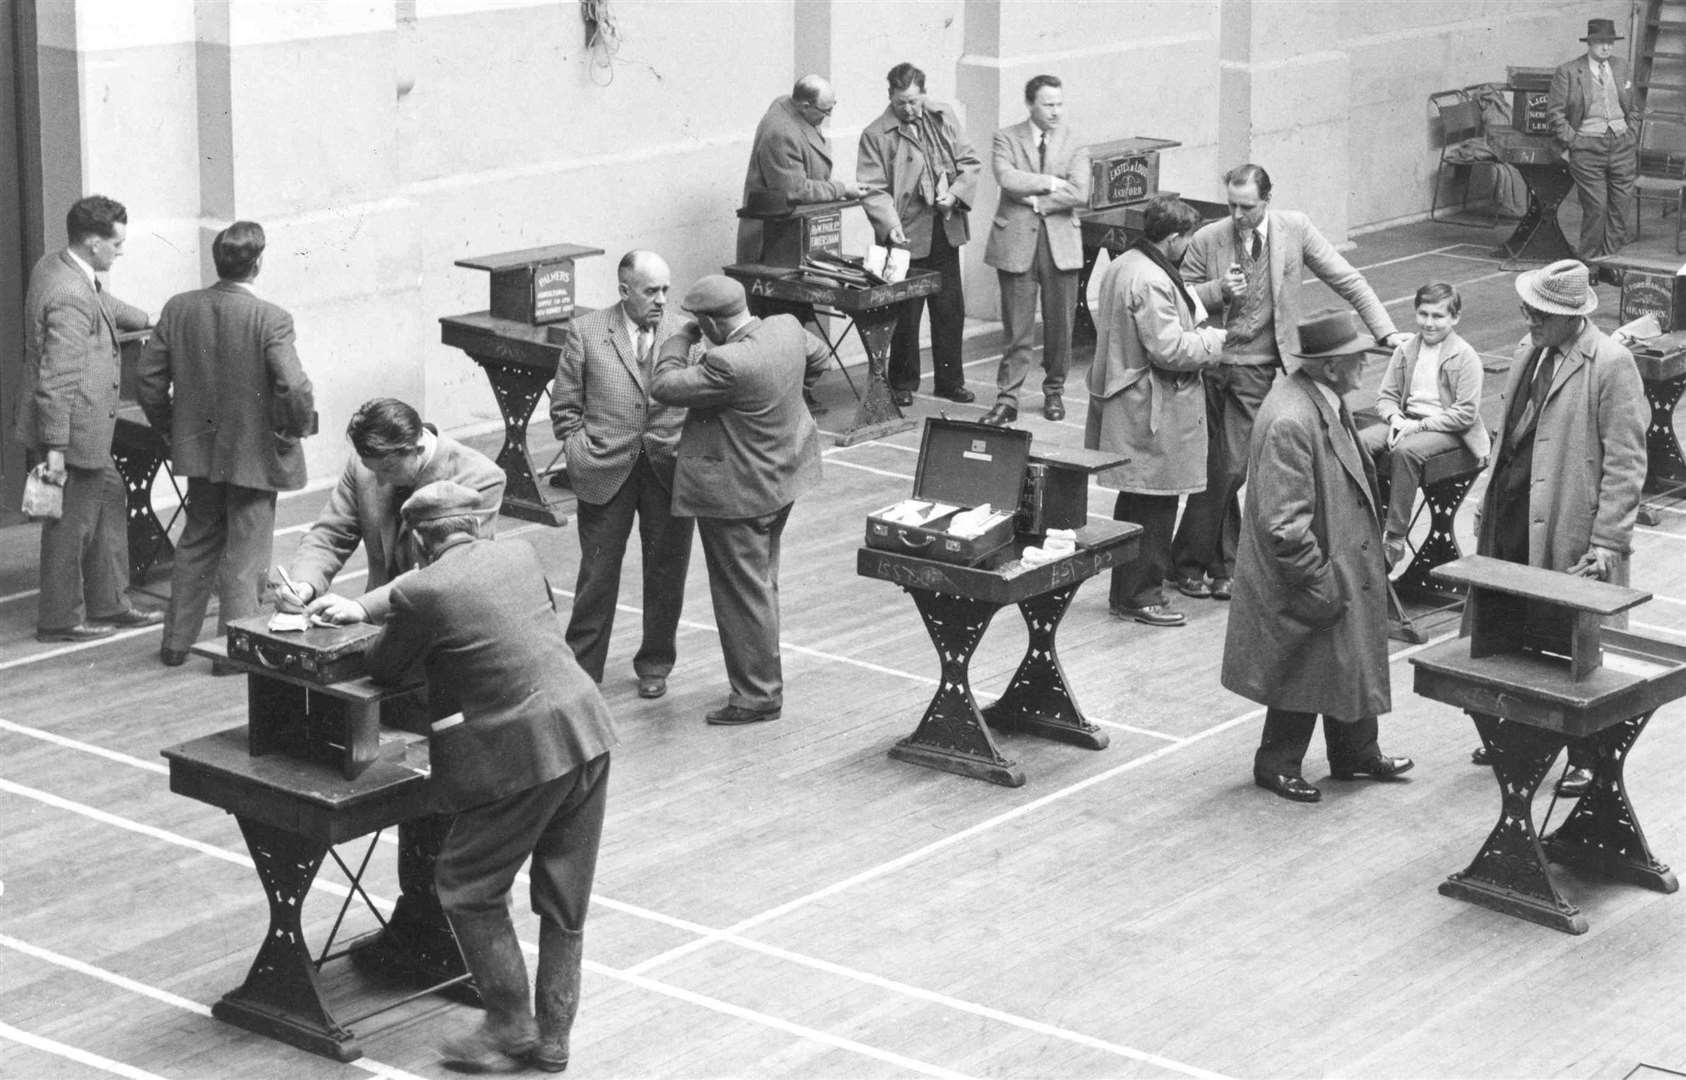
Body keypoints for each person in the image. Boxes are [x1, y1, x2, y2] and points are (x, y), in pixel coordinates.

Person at [358, 481, 616, 1073]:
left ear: (420, 540)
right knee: (564, 899)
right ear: (474, 525)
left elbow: (383, 664)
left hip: (519, 752)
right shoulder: (520, 553)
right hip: (586, 729)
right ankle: (552, 1040)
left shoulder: (423, 589)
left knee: (469, 886)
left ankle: (508, 1024)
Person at [1172, 163, 1405, 603]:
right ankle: (1216, 565)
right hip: (1208, 365)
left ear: (1267, 200)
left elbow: (1347, 279)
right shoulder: (1208, 238)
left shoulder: (1295, 230)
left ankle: (1187, 557)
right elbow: (1179, 300)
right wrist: (1219, 291)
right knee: (1219, 466)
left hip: (1257, 367)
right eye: (1231, 205)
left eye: (1247, 206)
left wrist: (1386, 331)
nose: (1237, 215)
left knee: (1233, 467)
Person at [1468, 259, 1647, 797]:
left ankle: (1587, 758)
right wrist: (1486, 500)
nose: (1529, 319)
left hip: (1570, 527)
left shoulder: (1611, 363)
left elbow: (1626, 461)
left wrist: (1609, 542)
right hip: (1512, 520)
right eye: (1529, 308)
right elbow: (1508, 438)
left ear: (1573, 316)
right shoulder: (1529, 351)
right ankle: (1518, 732)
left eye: (1541, 312)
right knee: (1511, 632)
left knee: (1575, 647)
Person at [1222, 312, 1414, 804]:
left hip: (1337, 560)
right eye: (1355, 360)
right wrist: (1320, 580)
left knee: (1341, 658)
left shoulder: (1315, 397)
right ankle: (1277, 764)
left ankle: (1355, 752)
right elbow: (1284, 526)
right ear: (1330, 368)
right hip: (1312, 570)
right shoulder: (1292, 418)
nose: (1364, 367)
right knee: (1304, 663)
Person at [649, 275, 828, 725]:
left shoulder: (729, 363)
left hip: (738, 493)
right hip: (783, 479)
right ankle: (761, 680)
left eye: (699, 322)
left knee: (741, 594)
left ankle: (756, 695)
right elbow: (820, 358)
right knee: (760, 584)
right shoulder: (786, 327)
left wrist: (679, 336)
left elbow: (665, 385)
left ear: (709, 322)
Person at [137, 221, 316, 668]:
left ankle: (175, 644)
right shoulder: (270, 317)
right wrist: (291, 430)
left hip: (200, 452)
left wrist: (169, 427)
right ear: (258, 263)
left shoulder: (179, 308)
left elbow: (147, 381)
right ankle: (234, 654)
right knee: (246, 553)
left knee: (197, 540)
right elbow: (294, 386)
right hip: (255, 454)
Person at [13, 194, 161, 643]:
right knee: (67, 525)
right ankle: (60, 620)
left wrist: (150, 319)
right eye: (116, 244)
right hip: (69, 433)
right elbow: (57, 381)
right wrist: (55, 449)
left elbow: (102, 304)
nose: (121, 251)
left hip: (74, 431)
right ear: (94, 242)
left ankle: (110, 602)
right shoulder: (69, 293)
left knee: (110, 496)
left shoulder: (58, 267)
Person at [548, 251, 694, 699]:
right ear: (624, 290)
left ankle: (655, 664)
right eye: (651, 291)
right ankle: (583, 668)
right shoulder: (587, 332)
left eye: (666, 290)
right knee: (597, 572)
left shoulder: (687, 332)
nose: (661, 300)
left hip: (668, 469)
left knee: (667, 572)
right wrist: (579, 451)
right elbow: (565, 408)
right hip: (604, 468)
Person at [1083, 196, 1225, 627]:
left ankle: (1129, 591)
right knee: (1156, 503)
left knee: (1137, 500)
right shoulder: (1151, 279)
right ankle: (1141, 595)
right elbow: (1169, 350)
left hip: (1131, 400)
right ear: (1175, 237)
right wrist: (1214, 342)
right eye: (1187, 240)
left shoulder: (1125, 264)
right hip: (1151, 407)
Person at [286, 397, 504, 623]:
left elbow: (448, 572)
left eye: (388, 469)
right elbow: (331, 534)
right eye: (373, 469)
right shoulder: (366, 465)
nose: (379, 480)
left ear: (417, 449)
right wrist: (304, 582)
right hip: (380, 618)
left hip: (443, 624)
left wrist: (363, 607)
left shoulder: (481, 478)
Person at [857, 61, 982, 407]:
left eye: (914, 101)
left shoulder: (943, 117)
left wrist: (955, 194)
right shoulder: (875, 135)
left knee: (949, 309)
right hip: (903, 235)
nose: (909, 109)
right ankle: (902, 382)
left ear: (924, 94)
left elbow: (970, 162)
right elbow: (872, 189)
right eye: (901, 103)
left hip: (944, 227)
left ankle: (949, 381)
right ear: (890, 98)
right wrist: (889, 225)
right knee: (904, 315)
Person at [981, 74, 1092, 425]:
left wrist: (1038, 202)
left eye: (1060, 103)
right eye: (1048, 104)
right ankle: (1007, 398)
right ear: (1030, 104)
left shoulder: (1075, 142)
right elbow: (1007, 178)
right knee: (1017, 327)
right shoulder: (1006, 137)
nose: (1056, 111)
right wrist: (1050, 183)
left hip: (1060, 243)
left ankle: (1054, 392)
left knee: (1061, 326)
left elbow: (1080, 192)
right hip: (1016, 244)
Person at [1358, 283, 1491, 569]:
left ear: (1455, 318)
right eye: (1423, 314)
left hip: (1449, 429)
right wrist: (1396, 419)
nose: (1429, 323)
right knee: (1360, 443)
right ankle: (1362, 519)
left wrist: (1417, 428)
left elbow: (1465, 413)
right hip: (1408, 419)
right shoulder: (1406, 350)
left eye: (1438, 316)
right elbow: (1386, 397)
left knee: (1406, 452)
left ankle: (1395, 535)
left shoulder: (1465, 356)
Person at [738, 75, 871, 263]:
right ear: (805, 105)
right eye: (825, 111)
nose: (828, 116)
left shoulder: (790, 106)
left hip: (797, 232)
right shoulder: (781, 133)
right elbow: (795, 189)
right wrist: (842, 189)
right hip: (776, 240)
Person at [1548, 18, 1638, 261]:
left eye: (1610, 42)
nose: (1606, 47)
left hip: (1622, 145)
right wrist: (1574, 141)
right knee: (1596, 208)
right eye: (1600, 42)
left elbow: (1635, 107)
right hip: (1587, 147)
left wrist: (1632, 133)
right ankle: (1591, 264)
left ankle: (1611, 262)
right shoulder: (1568, 71)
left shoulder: (1622, 67)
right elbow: (1555, 114)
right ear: (1589, 43)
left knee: (1620, 208)